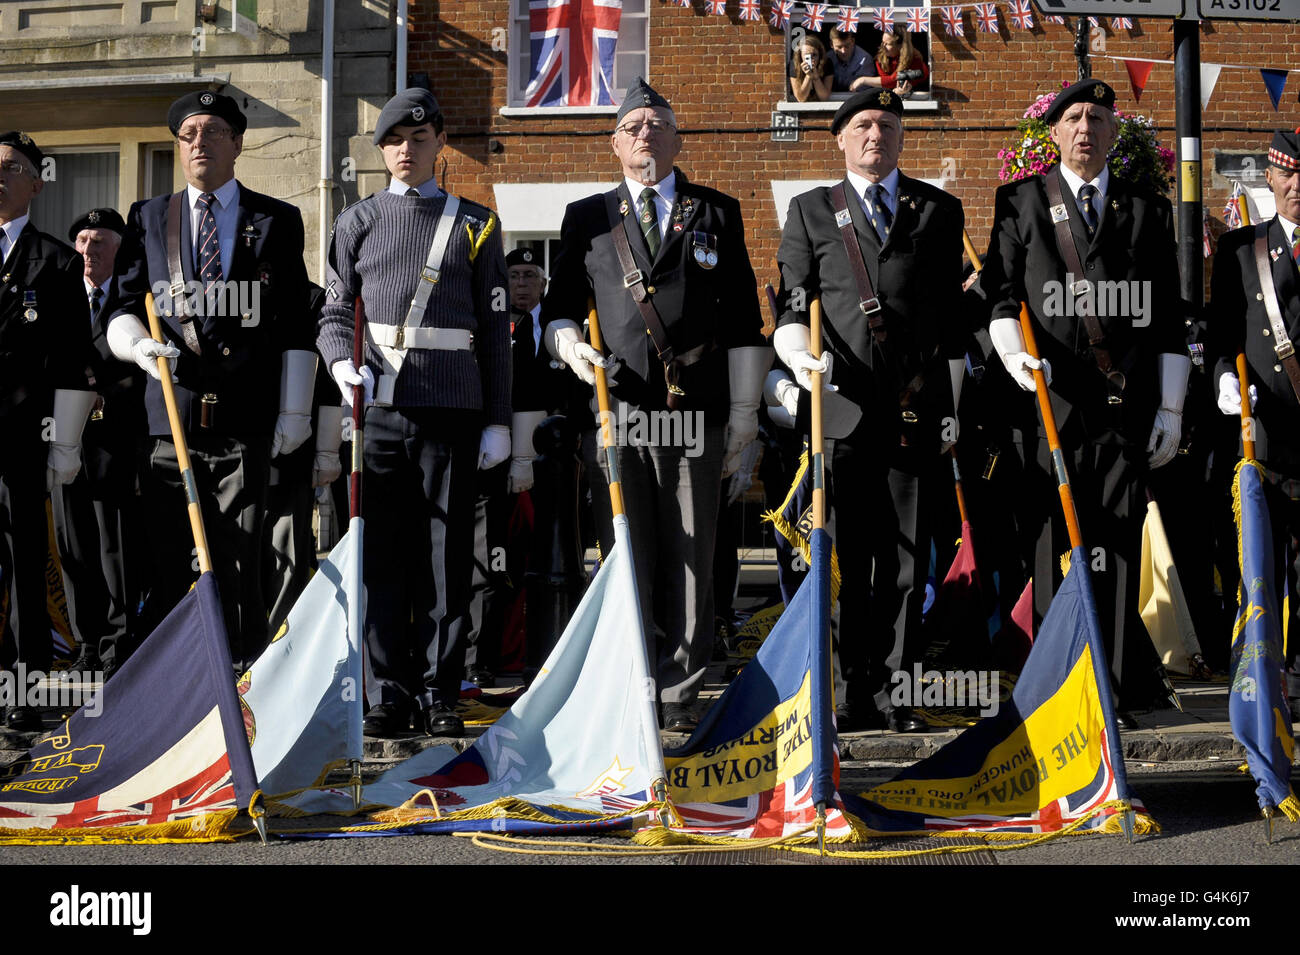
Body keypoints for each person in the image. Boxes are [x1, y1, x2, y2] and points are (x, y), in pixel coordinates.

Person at [541, 77, 770, 732]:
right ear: (614, 143)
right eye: (633, 124)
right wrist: (568, 348)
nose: (646, 131)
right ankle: (633, 682)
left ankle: (678, 693)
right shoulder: (586, 217)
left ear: (677, 139)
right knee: (626, 549)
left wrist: (746, 417)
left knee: (693, 552)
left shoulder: (716, 211)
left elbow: (745, 322)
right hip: (618, 412)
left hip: (696, 410)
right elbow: (558, 307)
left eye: (657, 122)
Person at [979, 79, 1188, 722]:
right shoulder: (1021, 201)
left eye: (1097, 118)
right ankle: (1057, 690)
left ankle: (1116, 687)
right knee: (1051, 545)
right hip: (1051, 406)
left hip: (1124, 408)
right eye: (1073, 117)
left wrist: (1173, 409)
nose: (1085, 129)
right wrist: (1015, 355)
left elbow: (1167, 322)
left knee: (1118, 549)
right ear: (1055, 132)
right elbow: (998, 294)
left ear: (1112, 132)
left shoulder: (1147, 210)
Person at [318, 87, 511, 738]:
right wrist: (339, 361)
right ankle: (388, 693)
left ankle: (439, 691)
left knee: (446, 557)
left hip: (452, 406)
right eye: (394, 141)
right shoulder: (357, 221)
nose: (406, 150)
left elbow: (494, 331)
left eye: (419, 139)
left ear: (439, 144)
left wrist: (498, 420)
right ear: (382, 150)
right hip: (380, 410)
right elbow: (336, 310)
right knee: (383, 561)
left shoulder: (477, 222)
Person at [774, 88, 966, 733]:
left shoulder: (939, 210)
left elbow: (951, 318)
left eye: (887, 123)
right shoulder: (809, 211)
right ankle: (839, 689)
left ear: (903, 135)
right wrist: (800, 356)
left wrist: (951, 405)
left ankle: (895, 693)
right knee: (841, 556)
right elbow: (794, 303)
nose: (875, 133)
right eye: (862, 124)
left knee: (909, 562)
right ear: (840, 138)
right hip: (841, 410)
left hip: (914, 409)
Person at [106, 91, 315, 672]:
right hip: (170, 420)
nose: (200, 142)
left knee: (241, 557)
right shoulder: (148, 216)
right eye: (189, 133)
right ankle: (185, 680)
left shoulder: (277, 219)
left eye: (214, 131)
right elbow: (120, 306)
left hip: (244, 420)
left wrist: (295, 412)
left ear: (238, 143)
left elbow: (296, 320)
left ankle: (240, 677)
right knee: (171, 558)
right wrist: (137, 344)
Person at [0, 131, 97, 729]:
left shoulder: (57, 261)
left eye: (12, 168)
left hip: (18, 439)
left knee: (24, 560)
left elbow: (70, 361)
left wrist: (64, 443)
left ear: (37, 183)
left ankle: (25, 690)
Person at [1208, 127, 1300, 717]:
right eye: (1289, 174)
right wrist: (1222, 379)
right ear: (1269, 177)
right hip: (1265, 430)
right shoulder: (1243, 251)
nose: (1298, 186)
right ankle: (1270, 676)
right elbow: (1220, 337)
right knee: (1264, 566)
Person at [55, 207, 143, 678]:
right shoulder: (59, 297)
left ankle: (118, 645)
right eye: (83, 241)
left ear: (120, 248)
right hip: (66, 439)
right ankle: (85, 645)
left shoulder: (132, 300)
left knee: (115, 546)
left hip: (116, 440)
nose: (90, 250)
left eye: (101, 241)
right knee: (74, 546)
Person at [870, 27, 929, 96]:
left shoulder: (915, 58)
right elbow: (886, 83)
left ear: (900, 46)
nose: (883, 46)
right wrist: (894, 90)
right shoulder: (880, 58)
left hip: (918, 95)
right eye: (883, 42)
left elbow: (893, 80)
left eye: (888, 44)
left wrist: (863, 80)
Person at [829, 28, 877, 93]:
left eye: (847, 46)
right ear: (831, 44)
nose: (843, 51)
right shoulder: (827, 58)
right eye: (839, 47)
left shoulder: (864, 59)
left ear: (853, 41)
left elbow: (866, 91)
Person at [789, 35, 834, 103]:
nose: (811, 59)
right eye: (807, 55)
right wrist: (808, 76)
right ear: (800, 55)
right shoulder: (794, 65)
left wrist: (816, 78)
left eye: (814, 55)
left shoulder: (827, 63)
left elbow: (824, 97)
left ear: (820, 55)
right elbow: (801, 98)